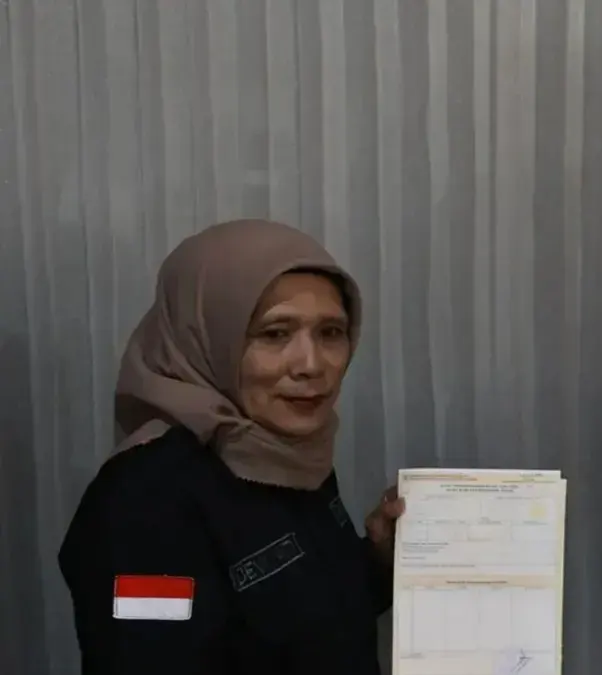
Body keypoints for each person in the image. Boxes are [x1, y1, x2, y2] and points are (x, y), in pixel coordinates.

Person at [58, 219, 405, 675]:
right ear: (205, 337)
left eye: (330, 333)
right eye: (275, 334)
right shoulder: (146, 500)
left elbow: (307, 613)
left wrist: (380, 560)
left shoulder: (283, 448)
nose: (311, 364)